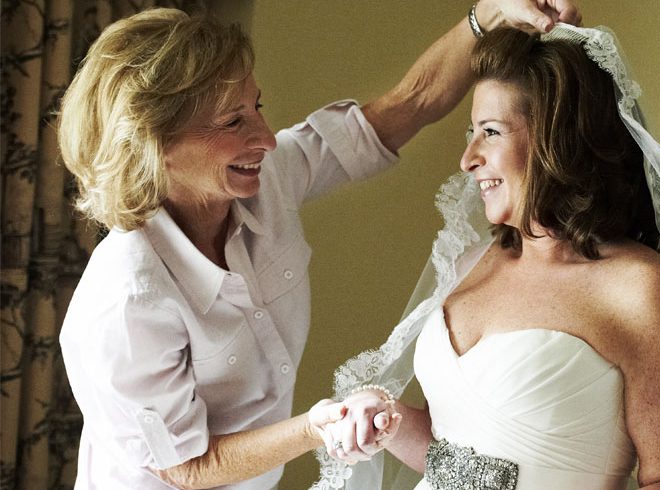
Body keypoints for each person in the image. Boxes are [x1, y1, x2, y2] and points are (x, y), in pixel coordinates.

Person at [56, 2, 581, 488]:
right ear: (153, 144)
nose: (264, 137)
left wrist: (487, 14)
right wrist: (318, 426)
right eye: (233, 121)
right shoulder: (125, 300)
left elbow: (406, 106)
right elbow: (187, 466)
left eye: (255, 106)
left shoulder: (266, 177)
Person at [318, 26, 660, 490]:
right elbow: (456, 454)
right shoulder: (470, 262)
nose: (468, 158)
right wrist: (382, 419)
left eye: (490, 132)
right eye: (472, 133)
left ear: (560, 140)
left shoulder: (643, 290)